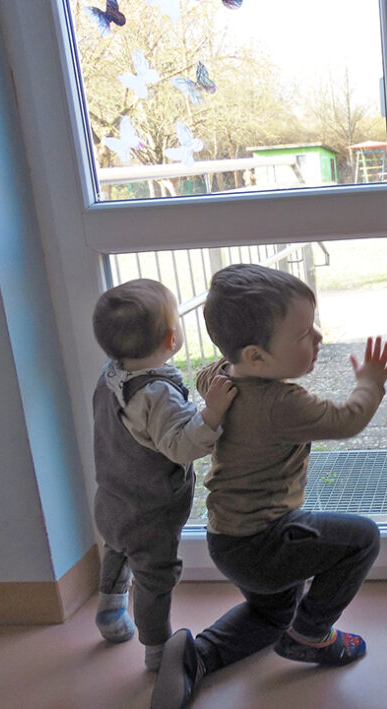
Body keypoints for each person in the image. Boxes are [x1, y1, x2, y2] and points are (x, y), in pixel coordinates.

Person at [151, 263, 387, 709]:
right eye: (304, 334)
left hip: (227, 539)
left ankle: (198, 656)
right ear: (257, 357)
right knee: (362, 538)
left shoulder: (220, 376)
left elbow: (210, 373)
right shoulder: (283, 403)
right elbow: (347, 420)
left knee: (271, 614)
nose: (319, 337)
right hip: (265, 541)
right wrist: (369, 384)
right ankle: (312, 635)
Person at [91, 278, 237, 671]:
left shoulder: (110, 376)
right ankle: (156, 651)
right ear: (173, 337)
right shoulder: (157, 394)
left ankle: (108, 611)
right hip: (150, 510)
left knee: (117, 549)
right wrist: (211, 413)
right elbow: (181, 445)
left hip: (112, 498)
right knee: (154, 579)